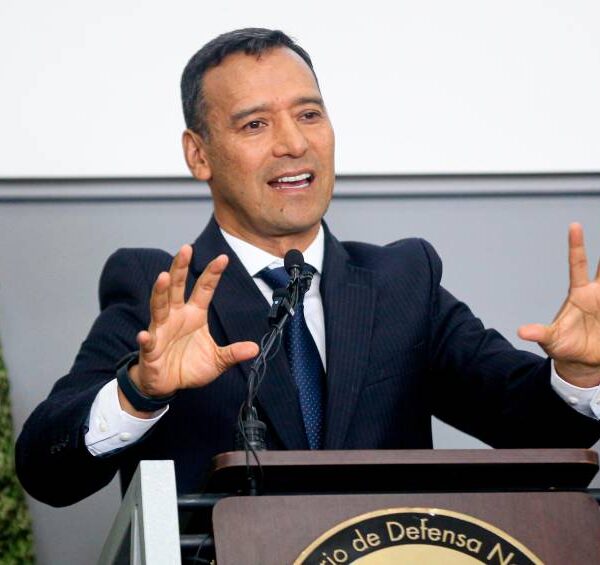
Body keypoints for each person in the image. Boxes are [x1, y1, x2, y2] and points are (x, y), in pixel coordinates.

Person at [16, 28, 600, 507]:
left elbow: (538, 436)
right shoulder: (161, 292)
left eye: (309, 114)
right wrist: (137, 392)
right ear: (199, 154)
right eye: (255, 124)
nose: (293, 143)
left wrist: (577, 375)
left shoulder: (402, 282)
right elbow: (46, 471)